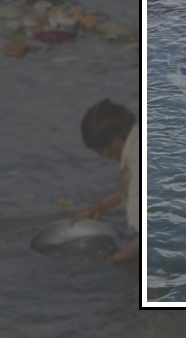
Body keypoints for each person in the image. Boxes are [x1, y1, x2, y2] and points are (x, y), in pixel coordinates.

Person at [70, 99, 139, 262]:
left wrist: (111, 260)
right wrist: (98, 207)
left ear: (116, 143)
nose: (103, 156)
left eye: (101, 151)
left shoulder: (136, 167)